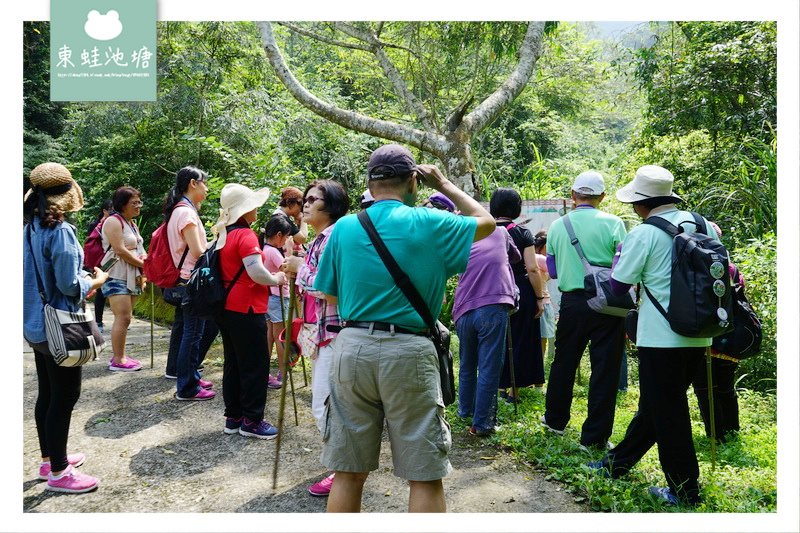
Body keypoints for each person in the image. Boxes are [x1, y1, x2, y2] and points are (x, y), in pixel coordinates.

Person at [313, 143, 495, 513]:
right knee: (424, 474)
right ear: (414, 180)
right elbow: (487, 222)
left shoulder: (344, 228)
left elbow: (328, 295)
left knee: (347, 471)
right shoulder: (431, 223)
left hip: (351, 348)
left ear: (370, 182)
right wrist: (443, 184)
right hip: (409, 352)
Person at [589, 165, 712, 506]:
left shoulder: (644, 233)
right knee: (658, 403)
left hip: (661, 337)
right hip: (701, 333)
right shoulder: (702, 224)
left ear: (641, 204)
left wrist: (618, 258)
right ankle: (615, 466)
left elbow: (618, 286)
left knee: (668, 409)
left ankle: (685, 490)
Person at [23, 162, 109, 493]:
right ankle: (59, 473)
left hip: (35, 323)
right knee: (66, 395)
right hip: (58, 324)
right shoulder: (60, 231)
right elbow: (69, 284)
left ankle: (50, 459)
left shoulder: (30, 225)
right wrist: (95, 279)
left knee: (47, 392)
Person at [541, 171, 626, 450]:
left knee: (564, 362)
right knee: (605, 368)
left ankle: (554, 422)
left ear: (573, 195)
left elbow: (552, 271)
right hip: (608, 303)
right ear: (602, 196)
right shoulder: (615, 223)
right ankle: (596, 437)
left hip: (573, 303)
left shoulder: (558, 226)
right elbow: (621, 267)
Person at [282, 178, 349, 497]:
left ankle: (343, 470)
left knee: (325, 405)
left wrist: (300, 269)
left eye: (313, 199)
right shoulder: (321, 239)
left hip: (337, 334)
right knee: (329, 404)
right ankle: (343, 466)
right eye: (305, 199)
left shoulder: (334, 237)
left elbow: (333, 290)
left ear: (332, 205)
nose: (305, 204)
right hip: (323, 333)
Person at [213, 183, 287, 439]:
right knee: (255, 364)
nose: (257, 208)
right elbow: (255, 271)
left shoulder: (223, 233)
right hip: (247, 307)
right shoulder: (244, 235)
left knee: (234, 362)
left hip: (225, 306)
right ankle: (252, 421)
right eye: (253, 205)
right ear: (245, 210)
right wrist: (277, 278)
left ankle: (233, 417)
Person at [453, 223, 520, 436]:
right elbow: (516, 257)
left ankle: (465, 411)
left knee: (467, 364)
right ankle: (482, 423)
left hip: (463, 308)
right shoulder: (501, 232)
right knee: (489, 367)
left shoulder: (460, 236)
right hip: (491, 305)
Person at [161, 167, 216, 401]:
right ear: (193, 183)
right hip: (190, 283)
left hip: (182, 281)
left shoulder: (179, 210)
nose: (206, 189)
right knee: (192, 335)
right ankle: (187, 387)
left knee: (187, 332)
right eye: (204, 184)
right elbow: (198, 251)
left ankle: (189, 376)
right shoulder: (186, 214)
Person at [490, 188, 546, 402]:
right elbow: (532, 268)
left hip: (493, 290)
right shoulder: (523, 233)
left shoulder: (485, 230)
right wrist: (540, 298)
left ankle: (498, 388)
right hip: (520, 290)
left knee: (497, 340)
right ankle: (515, 391)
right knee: (522, 339)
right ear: (516, 207)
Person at [691, 222, 742, 442]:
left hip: (705, 334)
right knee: (726, 386)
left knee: (705, 388)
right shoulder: (730, 267)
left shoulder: (697, 264)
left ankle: (716, 434)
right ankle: (732, 430)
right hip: (730, 334)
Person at [100, 186, 147, 372]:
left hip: (132, 273)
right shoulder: (113, 221)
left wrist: (145, 268)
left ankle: (121, 356)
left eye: (139, 202)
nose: (138, 206)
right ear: (122, 204)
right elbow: (119, 250)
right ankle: (118, 360)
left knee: (127, 318)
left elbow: (138, 248)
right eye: (134, 202)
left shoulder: (130, 223)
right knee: (123, 317)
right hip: (116, 273)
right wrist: (144, 265)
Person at [260, 214, 300, 389]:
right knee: (281, 337)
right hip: (277, 298)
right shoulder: (273, 252)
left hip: (267, 298)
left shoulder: (262, 248)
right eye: (286, 237)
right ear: (278, 235)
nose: (286, 241)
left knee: (269, 336)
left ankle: (264, 372)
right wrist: (290, 250)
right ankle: (283, 373)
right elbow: (289, 270)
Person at [85, 199, 112, 331]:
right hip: (101, 261)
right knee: (101, 291)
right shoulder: (95, 225)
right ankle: (99, 322)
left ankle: (121, 318)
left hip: (114, 260)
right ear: (104, 211)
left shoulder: (118, 224)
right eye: (110, 210)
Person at [533, 229, 555, 377]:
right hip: (543, 304)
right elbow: (555, 272)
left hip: (533, 304)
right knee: (542, 343)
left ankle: (533, 378)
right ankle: (538, 380)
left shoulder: (527, 257)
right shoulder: (540, 259)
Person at [274, 186, 308, 253]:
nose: (300, 209)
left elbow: (297, 237)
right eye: (300, 204)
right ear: (288, 202)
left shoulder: (279, 216)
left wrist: (299, 223)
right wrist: (303, 219)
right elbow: (302, 239)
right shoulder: (282, 219)